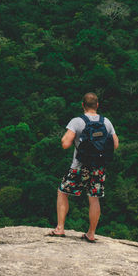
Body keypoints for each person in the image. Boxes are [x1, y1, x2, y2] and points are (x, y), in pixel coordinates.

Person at [49, 92, 119, 242]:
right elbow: (115, 144)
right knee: (94, 199)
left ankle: (60, 228)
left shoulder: (77, 121)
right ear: (97, 105)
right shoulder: (106, 122)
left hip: (79, 166)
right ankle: (91, 234)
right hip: (98, 168)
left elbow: (65, 144)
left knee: (62, 192)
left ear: (83, 105)